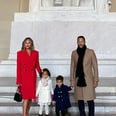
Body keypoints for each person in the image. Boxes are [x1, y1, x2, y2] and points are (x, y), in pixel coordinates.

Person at [70, 36, 99, 116]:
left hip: (88, 80)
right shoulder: (74, 53)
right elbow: (72, 67)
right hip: (78, 80)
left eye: (82, 41)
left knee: (90, 100)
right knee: (80, 100)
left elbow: (95, 67)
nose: (80, 43)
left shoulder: (90, 52)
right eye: (79, 41)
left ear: (85, 42)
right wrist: (72, 80)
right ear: (77, 42)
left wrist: (96, 80)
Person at [16, 37, 42, 116]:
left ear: (31, 44)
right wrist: (19, 81)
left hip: (32, 77)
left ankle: (27, 113)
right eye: (26, 42)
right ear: (23, 44)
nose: (27, 44)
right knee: (26, 98)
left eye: (29, 42)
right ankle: (24, 114)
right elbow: (18, 67)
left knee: (30, 97)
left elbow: (37, 64)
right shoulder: (19, 53)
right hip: (24, 78)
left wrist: (41, 73)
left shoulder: (35, 53)